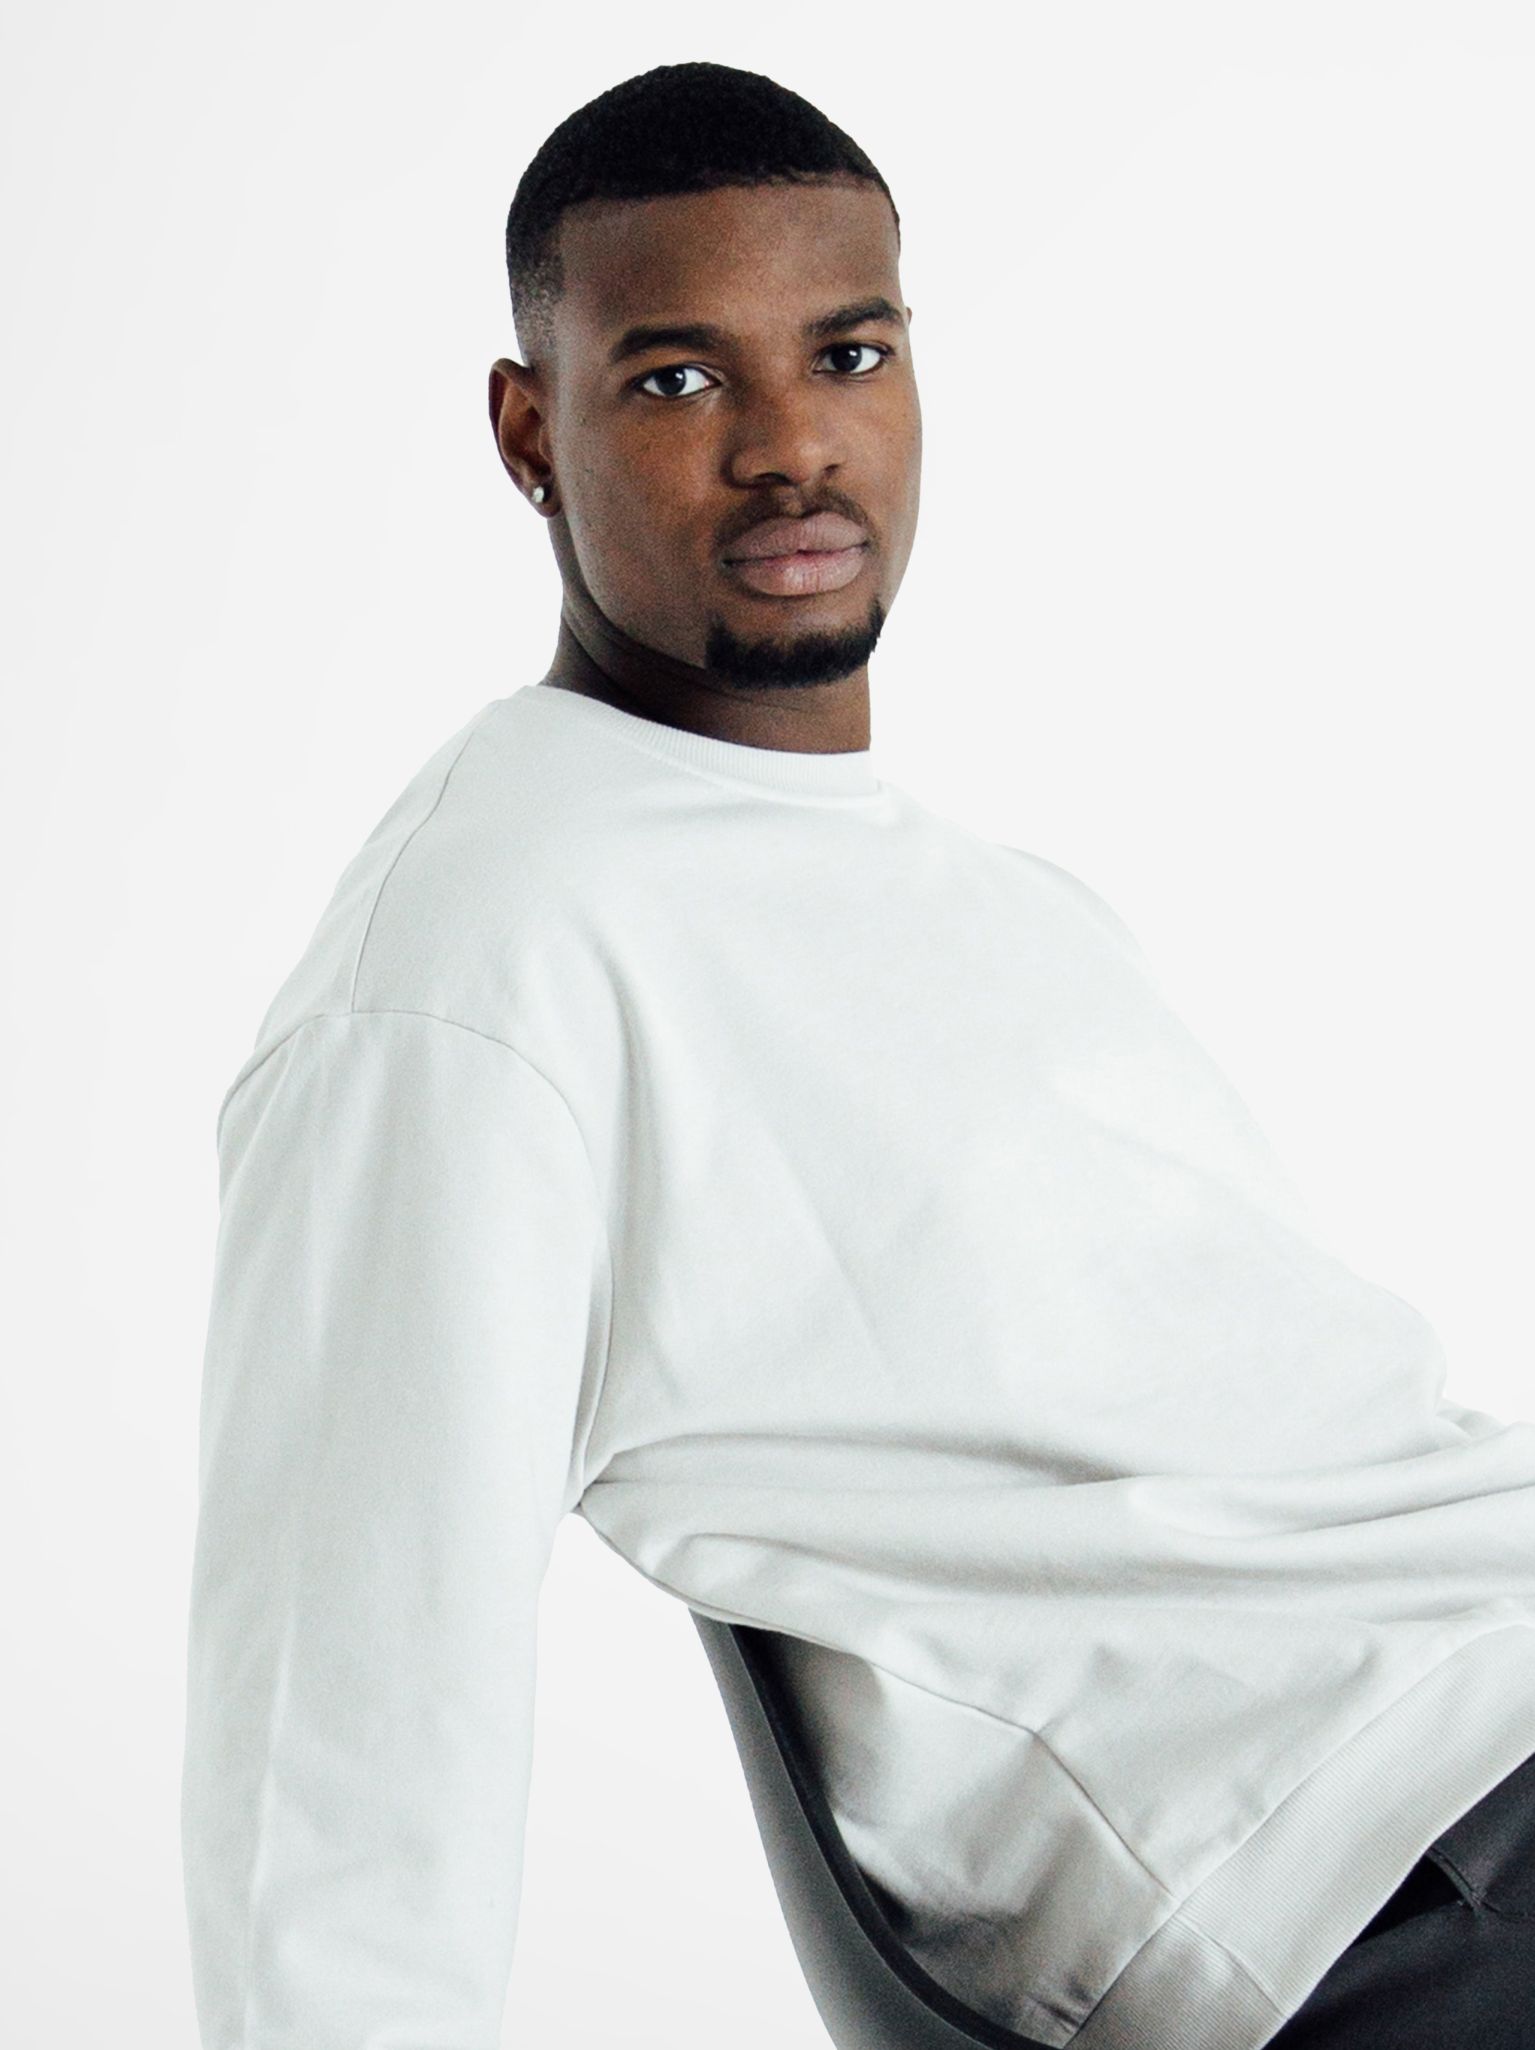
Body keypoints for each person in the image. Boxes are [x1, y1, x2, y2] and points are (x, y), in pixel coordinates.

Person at [179, 60, 1535, 2050]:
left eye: (850, 353)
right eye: (676, 379)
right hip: (1392, 1859)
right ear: (530, 431)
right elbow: (338, 1727)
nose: (793, 445)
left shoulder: (1000, 896)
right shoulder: (474, 968)